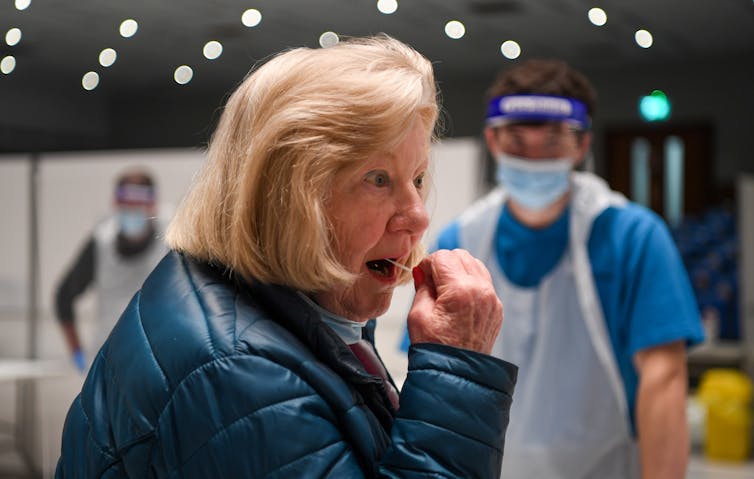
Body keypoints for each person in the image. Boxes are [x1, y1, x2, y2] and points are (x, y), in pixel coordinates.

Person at [55, 35, 517, 478]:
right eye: (378, 178)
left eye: (416, 179)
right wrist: (456, 370)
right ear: (290, 197)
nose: (417, 217)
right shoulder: (238, 375)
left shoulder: (286, 312)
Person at [419, 59, 704, 478]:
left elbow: (663, 379)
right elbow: (437, 383)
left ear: (582, 145)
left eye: (553, 141)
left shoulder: (632, 236)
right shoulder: (458, 242)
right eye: (516, 140)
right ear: (492, 141)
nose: (533, 157)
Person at [54, 169, 168, 371]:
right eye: (126, 202)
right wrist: (77, 354)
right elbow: (63, 297)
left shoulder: (170, 240)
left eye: (138, 202)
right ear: (116, 202)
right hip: (107, 357)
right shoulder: (101, 241)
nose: (132, 209)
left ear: (152, 204)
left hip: (158, 358)